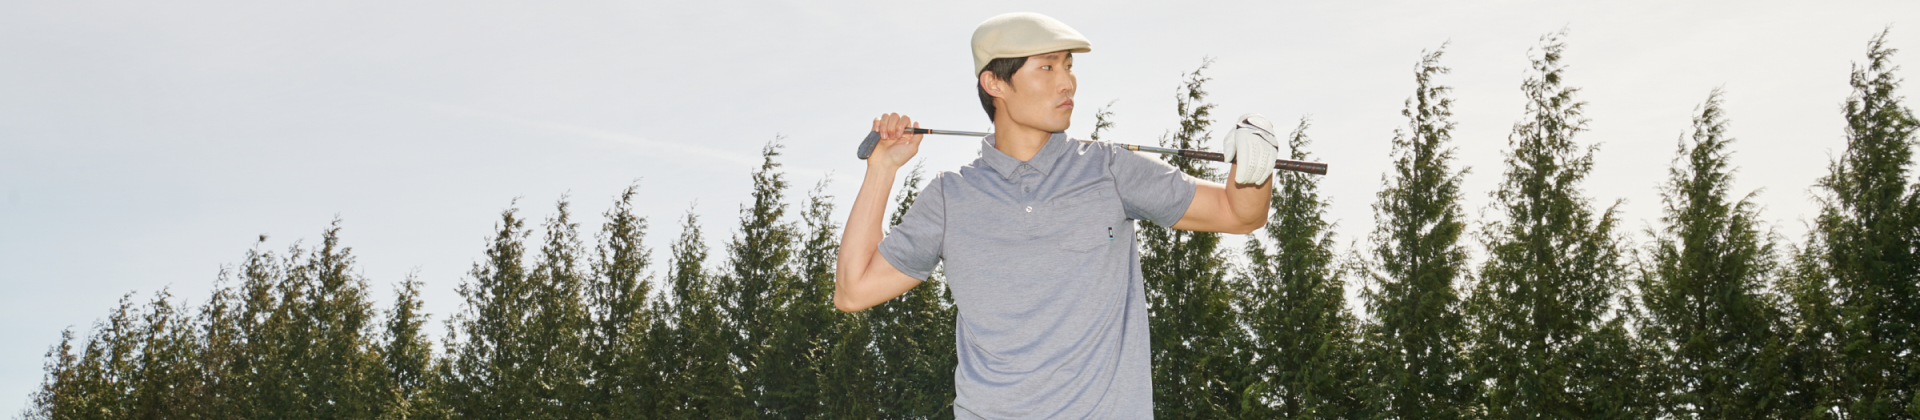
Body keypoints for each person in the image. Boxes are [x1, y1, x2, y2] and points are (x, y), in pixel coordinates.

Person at [833, 12, 1281, 419]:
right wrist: (882, 169)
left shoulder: (1109, 169)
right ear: (995, 84)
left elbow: (1238, 213)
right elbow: (853, 291)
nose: (1067, 82)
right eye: (1047, 67)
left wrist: (1255, 153)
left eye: (1068, 65)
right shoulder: (951, 197)